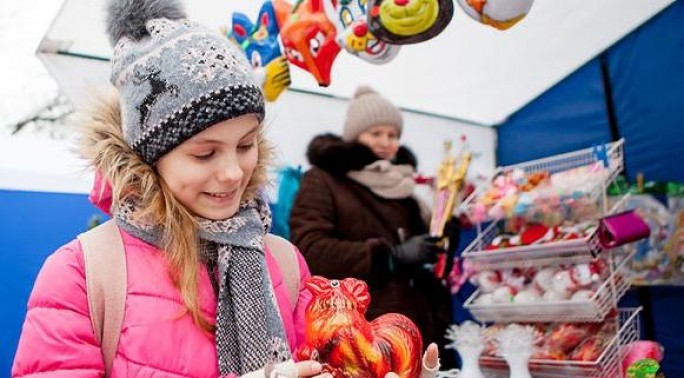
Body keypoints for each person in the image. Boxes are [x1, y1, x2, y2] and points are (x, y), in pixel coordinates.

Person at [12, 1, 440, 377]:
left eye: (246, 144)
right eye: (205, 154)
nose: (234, 172)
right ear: (150, 156)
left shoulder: (285, 262)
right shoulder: (84, 273)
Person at [290, 86, 457, 368]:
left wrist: (441, 239)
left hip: (417, 329)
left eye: (392, 135)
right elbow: (311, 248)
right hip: (363, 336)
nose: (385, 142)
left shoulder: (404, 187)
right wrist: (391, 256)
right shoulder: (324, 180)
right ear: (355, 136)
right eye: (375, 134)